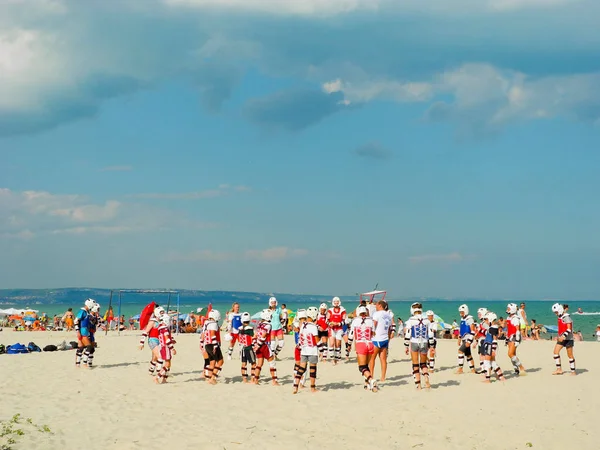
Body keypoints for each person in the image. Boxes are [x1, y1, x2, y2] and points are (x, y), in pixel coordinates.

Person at [404, 303, 434, 389]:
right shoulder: (427, 320)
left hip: (414, 342)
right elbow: (430, 334)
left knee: (415, 364)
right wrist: (432, 346)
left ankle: (418, 385)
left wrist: (406, 346)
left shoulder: (411, 320)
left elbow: (408, 334)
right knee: (423, 364)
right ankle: (426, 378)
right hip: (424, 343)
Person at [349, 306, 378, 392]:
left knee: (362, 367)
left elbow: (351, 334)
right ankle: (367, 384)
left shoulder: (355, 321)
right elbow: (373, 333)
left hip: (360, 344)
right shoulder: (371, 321)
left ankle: (371, 380)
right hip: (370, 344)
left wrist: (349, 344)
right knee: (366, 366)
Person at [293, 307, 319, 394]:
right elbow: (316, 339)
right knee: (312, 369)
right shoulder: (313, 327)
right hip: (312, 350)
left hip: (304, 350)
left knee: (301, 369)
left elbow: (300, 339)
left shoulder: (303, 326)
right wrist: (322, 348)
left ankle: (295, 386)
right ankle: (312, 388)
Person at [252, 309, 280, 386]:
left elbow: (255, 335)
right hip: (264, 345)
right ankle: (274, 381)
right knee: (272, 363)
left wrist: (254, 344)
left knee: (259, 364)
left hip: (258, 345)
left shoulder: (259, 324)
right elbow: (264, 335)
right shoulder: (268, 325)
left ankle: (256, 379)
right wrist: (259, 344)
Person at [140, 306, 166, 377]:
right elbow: (146, 332)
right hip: (152, 340)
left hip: (160, 341)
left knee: (155, 357)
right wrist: (142, 343)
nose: (163, 314)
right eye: (161, 312)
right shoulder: (152, 321)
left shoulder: (162, 321)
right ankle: (159, 373)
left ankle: (150, 370)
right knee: (160, 356)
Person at [370, 300, 392, 382]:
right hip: (385, 339)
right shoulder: (388, 315)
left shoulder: (377, 314)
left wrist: (370, 335)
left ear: (380, 305)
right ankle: (383, 377)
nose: (375, 306)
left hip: (377, 339)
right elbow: (390, 328)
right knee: (383, 359)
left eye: (376, 304)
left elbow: (373, 325)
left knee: (372, 358)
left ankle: (371, 376)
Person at [551, 303, 576, 376]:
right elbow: (561, 328)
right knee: (555, 352)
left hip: (568, 339)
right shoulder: (560, 317)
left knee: (570, 355)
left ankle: (573, 372)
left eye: (556, 312)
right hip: (561, 338)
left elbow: (569, 329)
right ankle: (559, 369)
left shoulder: (566, 317)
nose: (555, 314)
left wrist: (563, 336)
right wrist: (559, 336)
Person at [481, 312, 506, 383]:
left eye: (486, 319)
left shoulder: (493, 328)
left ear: (490, 319)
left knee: (487, 362)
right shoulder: (493, 327)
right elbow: (483, 324)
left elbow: (495, 339)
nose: (485, 321)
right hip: (489, 345)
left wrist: (493, 350)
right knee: (493, 363)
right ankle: (501, 377)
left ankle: (487, 379)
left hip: (490, 346)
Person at [200, 310, 224, 384]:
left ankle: (208, 377)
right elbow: (213, 334)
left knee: (212, 362)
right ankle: (213, 378)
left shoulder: (206, 323)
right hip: (212, 344)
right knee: (220, 361)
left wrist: (201, 345)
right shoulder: (214, 324)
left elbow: (203, 335)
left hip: (207, 344)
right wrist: (215, 345)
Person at [74, 299, 96, 368]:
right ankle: (84, 363)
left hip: (85, 330)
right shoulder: (82, 311)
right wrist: (77, 331)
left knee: (80, 348)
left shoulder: (86, 312)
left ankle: (77, 364)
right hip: (83, 331)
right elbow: (76, 321)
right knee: (89, 347)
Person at [506, 303, 526, 376]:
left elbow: (517, 330)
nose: (507, 309)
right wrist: (506, 338)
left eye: (508, 308)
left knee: (510, 353)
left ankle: (521, 367)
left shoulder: (515, 318)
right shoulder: (508, 318)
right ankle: (516, 369)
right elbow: (508, 329)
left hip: (515, 337)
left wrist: (517, 340)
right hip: (510, 337)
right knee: (513, 354)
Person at [155, 314, 176, 384]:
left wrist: (171, 340)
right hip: (165, 347)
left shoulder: (160, 328)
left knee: (168, 364)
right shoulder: (165, 328)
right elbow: (166, 339)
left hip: (162, 346)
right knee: (167, 364)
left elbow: (163, 338)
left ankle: (164, 379)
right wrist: (172, 348)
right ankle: (157, 377)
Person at [456, 305, 476, 374]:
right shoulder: (462, 319)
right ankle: (473, 369)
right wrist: (459, 339)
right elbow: (461, 330)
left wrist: (469, 341)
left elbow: (473, 331)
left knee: (460, 351)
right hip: (464, 339)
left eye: (462, 312)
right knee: (468, 355)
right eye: (460, 312)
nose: (460, 314)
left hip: (468, 339)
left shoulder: (470, 319)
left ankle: (460, 369)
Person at [326, 297, 347, 365]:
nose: (336, 303)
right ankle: (332, 359)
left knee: (338, 344)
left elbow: (344, 321)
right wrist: (330, 324)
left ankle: (337, 358)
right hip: (331, 329)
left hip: (339, 329)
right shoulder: (330, 310)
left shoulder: (342, 310)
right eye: (335, 302)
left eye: (337, 302)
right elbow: (327, 320)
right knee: (331, 343)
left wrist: (338, 324)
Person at [238, 312, 256, 383]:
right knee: (253, 363)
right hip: (249, 348)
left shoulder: (240, 328)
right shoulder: (249, 329)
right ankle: (252, 379)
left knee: (244, 363)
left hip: (242, 348)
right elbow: (253, 337)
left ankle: (244, 379)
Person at [474, 308, 489, 374]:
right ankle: (482, 368)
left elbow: (487, 333)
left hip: (484, 341)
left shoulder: (485, 323)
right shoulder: (482, 323)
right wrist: (476, 341)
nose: (478, 315)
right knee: (481, 354)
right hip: (481, 340)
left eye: (479, 314)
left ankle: (485, 369)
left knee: (483, 355)